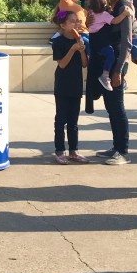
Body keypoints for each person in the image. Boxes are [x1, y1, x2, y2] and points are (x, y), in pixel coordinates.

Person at [86, 0, 133, 165]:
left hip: (115, 64)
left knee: (116, 107)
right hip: (104, 62)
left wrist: (117, 70)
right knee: (110, 107)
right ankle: (115, 147)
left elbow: (127, 42)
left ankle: (122, 151)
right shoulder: (104, 7)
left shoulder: (123, 7)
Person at [49, 10, 89, 163]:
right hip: (62, 84)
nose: (76, 24)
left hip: (76, 83)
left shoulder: (81, 40)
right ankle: (60, 151)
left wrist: (82, 50)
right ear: (63, 25)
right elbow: (62, 64)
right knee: (61, 119)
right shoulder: (58, 42)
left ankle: (74, 151)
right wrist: (73, 49)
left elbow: (85, 64)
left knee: (74, 120)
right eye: (73, 21)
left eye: (78, 21)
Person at [86, 0, 134, 93]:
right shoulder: (104, 15)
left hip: (93, 43)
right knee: (111, 56)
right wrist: (124, 14)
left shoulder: (91, 13)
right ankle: (105, 75)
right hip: (102, 43)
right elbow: (115, 21)